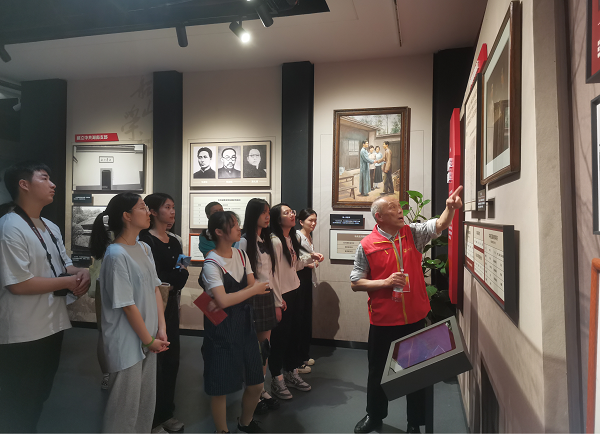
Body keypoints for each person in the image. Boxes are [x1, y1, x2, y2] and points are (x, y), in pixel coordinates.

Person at [350, 187, 463, 434]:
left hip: (414, 318)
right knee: (378, 372)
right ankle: (375, 415)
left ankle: (415, 422)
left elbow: (438, 225)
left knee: (416, 372)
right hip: (383, 321)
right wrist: (385, 282)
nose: (400, 210)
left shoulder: (411, 233)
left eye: (399, 206)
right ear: (379, 216)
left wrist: (450, 209)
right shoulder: (367, 245)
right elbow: (356, 282)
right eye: (392, 207)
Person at [0, 162, 91, 433]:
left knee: (39, 395)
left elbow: (63, 265)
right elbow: (18, 284)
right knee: (18, 400)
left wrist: (82, 273)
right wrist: (69, 281)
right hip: (22, 331)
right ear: (24, 184)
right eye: (45, 178)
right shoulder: (10, 226)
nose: (53, 184)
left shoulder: (49, 226)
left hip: (52, 324)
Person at [90, 192, 169, 433]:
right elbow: (127, 305)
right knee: (123, 409)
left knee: (144, 403)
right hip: (127, 342)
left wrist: (161, 329)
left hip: (148, 337)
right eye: (142, 207)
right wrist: (149, 340)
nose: (148, 212)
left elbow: (155, 288)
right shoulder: (116, 255)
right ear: (127, 215)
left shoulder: (144, 248)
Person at [200, 211, 270, 433]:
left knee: (256, 382)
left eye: (238, 224)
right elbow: (226, 299)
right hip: (221, 329)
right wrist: (251, 291)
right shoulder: (212, 263)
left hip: (246, 325)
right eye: (233, 225)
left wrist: (230, 298)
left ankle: (245, 421)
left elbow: (237, 292)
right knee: (219, 387)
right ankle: (222, 430)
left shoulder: (241, 255)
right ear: (219, 232)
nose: (239, 228)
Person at [139, 193, 190, 433]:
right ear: (152, 211)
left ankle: (165, 412)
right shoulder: (144, 241)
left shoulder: (175, 241)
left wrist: (172, 280)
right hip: (151, 306)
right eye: (167, 207)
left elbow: (183, 271)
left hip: (170, 306)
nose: (172, 211)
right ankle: (149, 417)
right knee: (153, 363)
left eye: (173, 207)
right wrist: (171, 279)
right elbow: (155, 279)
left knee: (171, 360)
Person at [268, 203, 323, 400]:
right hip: (282, 295)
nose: (292, 214)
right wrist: (277, 301)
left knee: (293, 335)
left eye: (291, 211)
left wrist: (310, 257)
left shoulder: (290, 238)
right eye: (287, 213)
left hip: (294, 291)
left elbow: (294, 265)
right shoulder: (274, 241)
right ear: (277, 219)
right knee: (279, 339)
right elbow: (272, 274)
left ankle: (291, 372)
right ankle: (277, 378)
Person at [237, 198, 280, 413]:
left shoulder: (266, 240)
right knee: (253, 348)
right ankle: (251, 390)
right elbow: (240, 275)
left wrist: (278, 300)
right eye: (263, 212)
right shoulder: (245, 241)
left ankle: (260, 388)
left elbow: (272, 274)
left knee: (265, 347)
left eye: (268, 212)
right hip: (252, 297)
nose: (267, 216)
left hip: (267, 296)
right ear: (253, 214)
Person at [296, 208, 323, 374]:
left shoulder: (308, 236)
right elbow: (295, 260)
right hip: (299, 279)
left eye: (315, 220)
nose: (313, 223)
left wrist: (313, 262)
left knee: (306, 318)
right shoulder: (297, 236)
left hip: (307, 278)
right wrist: (310, 263)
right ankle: (298, 359)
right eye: (310, 220)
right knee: (299, 319)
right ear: (301, 221)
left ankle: (304, 355)